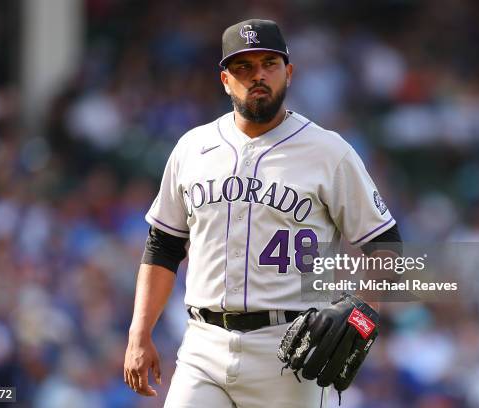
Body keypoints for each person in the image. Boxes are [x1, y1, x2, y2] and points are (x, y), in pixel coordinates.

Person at [124, 19, 401, 407]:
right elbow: (163, 247)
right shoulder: (192, 148)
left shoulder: (329, 151)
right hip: (203, 346)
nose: (258, 76)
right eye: (244, 67)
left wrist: (363, 315)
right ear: (224, 79)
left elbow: (386, 245)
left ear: (289, 72)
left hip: (291, 349)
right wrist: (140, 332)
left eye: (269, 64)